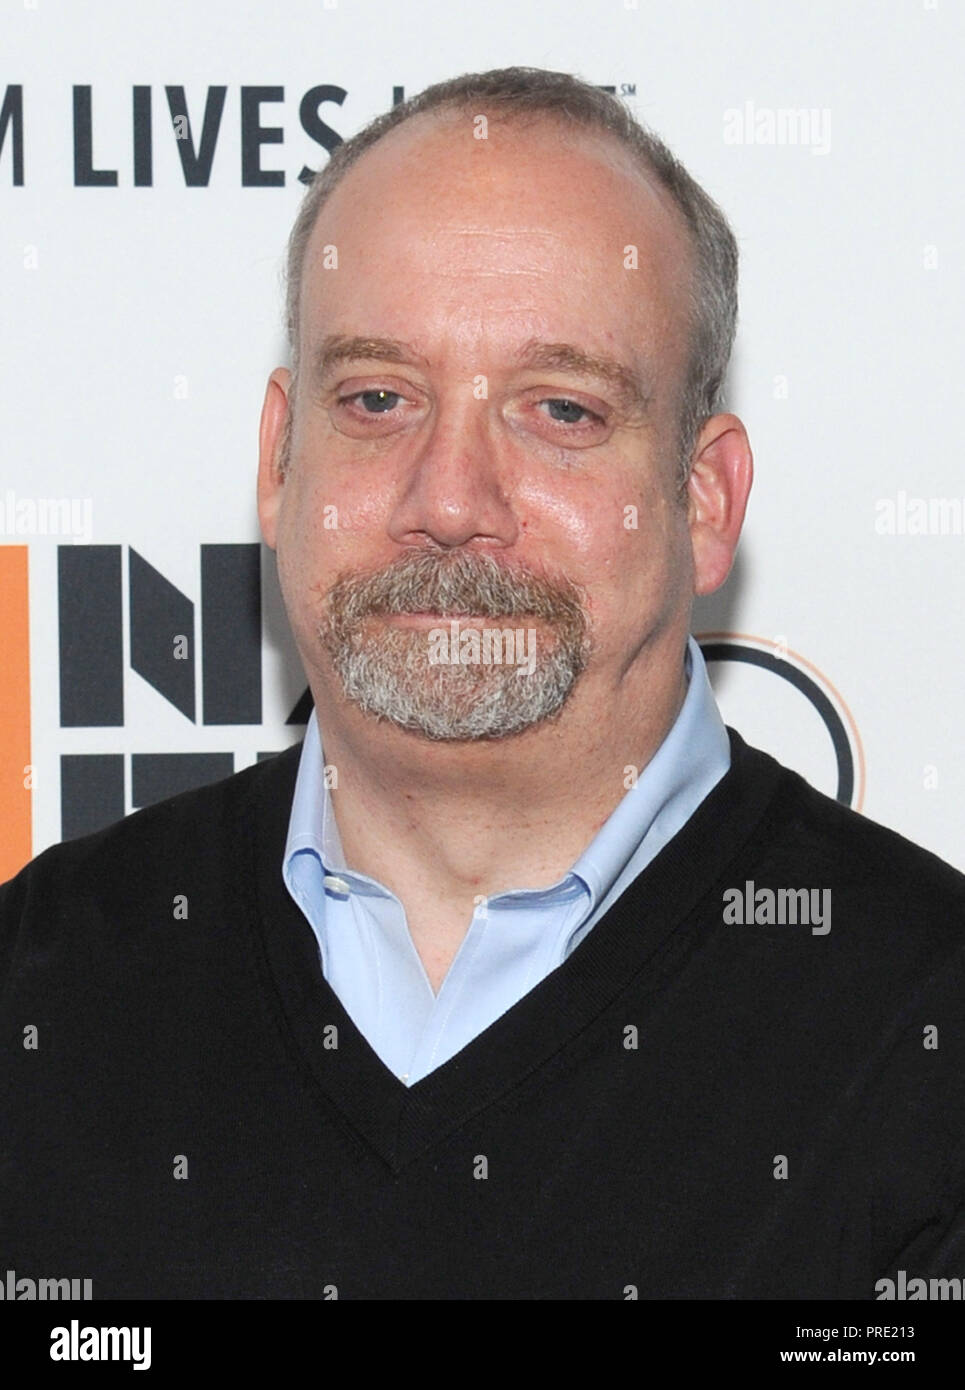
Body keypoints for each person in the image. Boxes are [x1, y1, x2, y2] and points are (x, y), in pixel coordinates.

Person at [2, 66, 963, 1301]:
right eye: (378, 399)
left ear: (703, 499)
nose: (449, 499)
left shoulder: (927, 1029)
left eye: (558, 409)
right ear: (277, 461)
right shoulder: (45, 982)